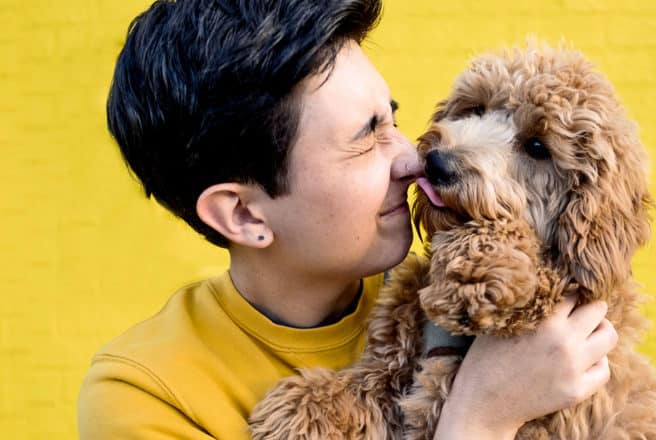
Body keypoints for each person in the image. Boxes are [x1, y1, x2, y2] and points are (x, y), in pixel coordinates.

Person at [77, 0, 619, 438]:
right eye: (366, 137)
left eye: (394, 117)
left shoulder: (471, 302)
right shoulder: (146, 395)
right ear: (243, 214)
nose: (413, 158)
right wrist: (482, 417)